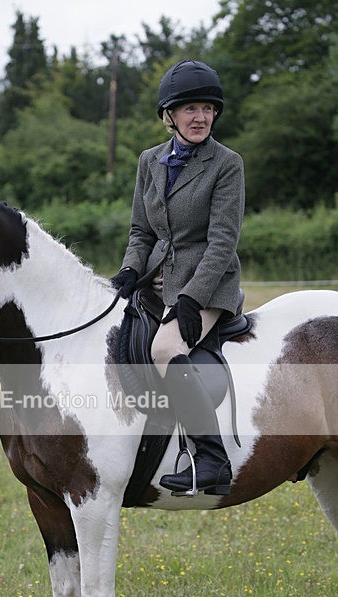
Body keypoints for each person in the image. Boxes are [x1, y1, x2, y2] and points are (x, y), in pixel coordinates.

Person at [111, 60, 245, 496]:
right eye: (190, 109)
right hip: (156, 282)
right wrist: (131, 267)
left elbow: (222, 242)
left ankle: (212, 460)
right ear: (169, 116)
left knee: (165, 348)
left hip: (209, 287)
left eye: (208, 108)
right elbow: (141, 231)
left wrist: (190, 298)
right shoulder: (150, 161)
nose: (201, 117)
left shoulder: (227, 164)